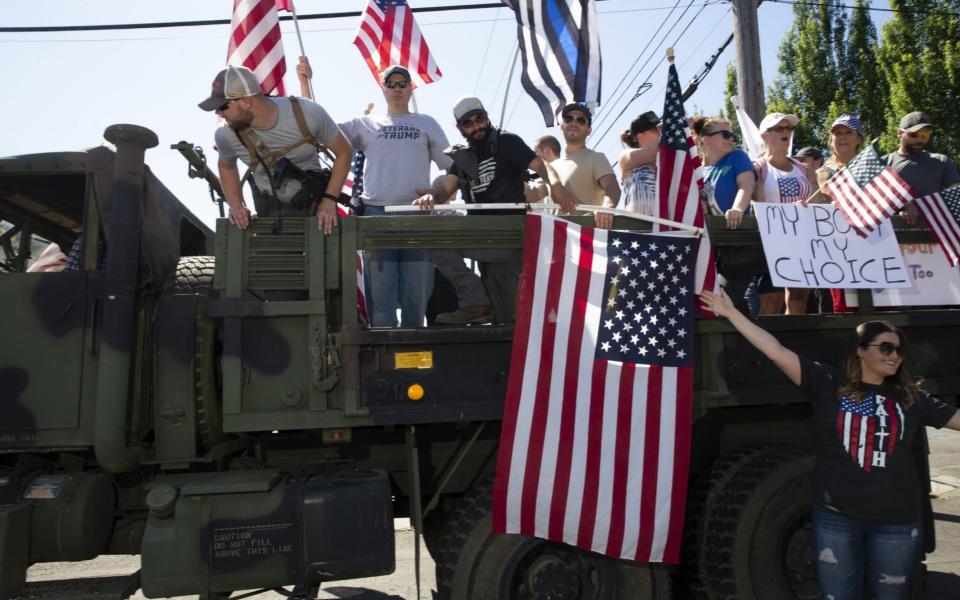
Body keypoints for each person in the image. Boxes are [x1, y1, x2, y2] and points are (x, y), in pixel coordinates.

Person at [699, 288, 960, 600]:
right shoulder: (827, 384)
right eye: (886, 347)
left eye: (900, 350)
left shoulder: (911, 398)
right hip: (838, 519)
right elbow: (776, 351)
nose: (894, 355)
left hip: (897, 523)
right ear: (861, 351)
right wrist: (731, 314)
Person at [413, 96, 576, 325]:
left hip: (509, 235)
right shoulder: (461, 157)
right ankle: (475, 301)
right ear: (459, 128)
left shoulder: (507, 142)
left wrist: (556, 186)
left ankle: (482, 308)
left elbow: (541, 165)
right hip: (481, 238)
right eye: (468, 123)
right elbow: (445, 189)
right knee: (432, 234)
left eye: (479, 118)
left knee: (510, 318)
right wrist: (433, 195)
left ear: (487, 117)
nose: (476, 126)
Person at [332, 65, 453, 328]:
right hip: (376, 216)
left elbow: (452, 168)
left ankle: (414, 362)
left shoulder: (427, 123)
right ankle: (383, 363)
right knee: (380, 300)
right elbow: (322, 130)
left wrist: (438, 193)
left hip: (418, 218)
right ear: (383, 89)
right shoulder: (364, 124)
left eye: (403, 84)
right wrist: (305, 81)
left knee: (416, 296)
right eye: (392, 84)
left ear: (411, 89)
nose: (397, 88)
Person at [199, 65, 352, 234]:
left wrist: (329, 200)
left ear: (246, 102)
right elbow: (226, 166)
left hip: (316, 212)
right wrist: (237, 206)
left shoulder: (308, 113)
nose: (218, 113)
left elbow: (344, 152)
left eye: (222, 106)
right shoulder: (226, 134)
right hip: (268, 215)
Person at [690, 116, 757, 315]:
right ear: (705, 139)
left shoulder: (737, 157)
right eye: (725, 134)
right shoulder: (696, 171)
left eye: (733, 135)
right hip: (709, 250)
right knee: (721, 303)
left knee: (722, 299)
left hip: (737, 245)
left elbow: (746, 186)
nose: (731, 139)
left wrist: (737, 208)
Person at [755, 112, 816, 315]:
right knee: (771, 304)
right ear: (764, 135)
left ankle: (793, 345)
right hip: (771, 244)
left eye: (788, 128)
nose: (785, 132)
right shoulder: (758, 167)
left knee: (799, 303)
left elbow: (818, 200)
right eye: (779, 128)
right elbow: (758, 204)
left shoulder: (803, 168)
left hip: (802, 241)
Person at [550, 103, 621, 229]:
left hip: (584, 237)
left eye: (581, 120)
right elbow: (533, 195)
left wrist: (607, 207)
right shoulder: (551, 167)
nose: (574, 123)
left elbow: (612, 187)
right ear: (562, 126)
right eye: (568, 119)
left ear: (589, 130)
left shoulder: (596, 158)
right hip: (554, 237)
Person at [883, 111, 960, 224]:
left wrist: (922, 207)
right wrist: (905, 204)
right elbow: (873, 198)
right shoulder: (883, 162)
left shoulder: (942, 161)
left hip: (936, 235)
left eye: (925, 135)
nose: (920, 140)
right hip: (894, 235)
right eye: (914, 134)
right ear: (899, 133)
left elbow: (956, 195)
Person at [618, 111, 660, 216]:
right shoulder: (625, 156)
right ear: (640, 136)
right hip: (638, 227)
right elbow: (650, 153)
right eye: (655, 130)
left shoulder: (665, 160)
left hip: (668, 227)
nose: (660, 133)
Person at [524, 135, 561, 202]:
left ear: (547, 151)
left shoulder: (557, 171)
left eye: (535, 154)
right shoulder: (566, 168)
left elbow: (530, 196)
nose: (533, 158)